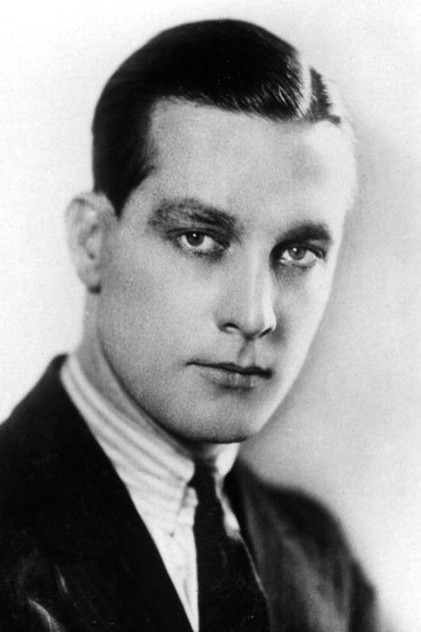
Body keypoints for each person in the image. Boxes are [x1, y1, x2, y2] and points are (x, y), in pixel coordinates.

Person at [0, 18, 379, 632]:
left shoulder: (323, 559)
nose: (254, 315)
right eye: (199, 238)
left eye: (298, 253)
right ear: (92, 241)